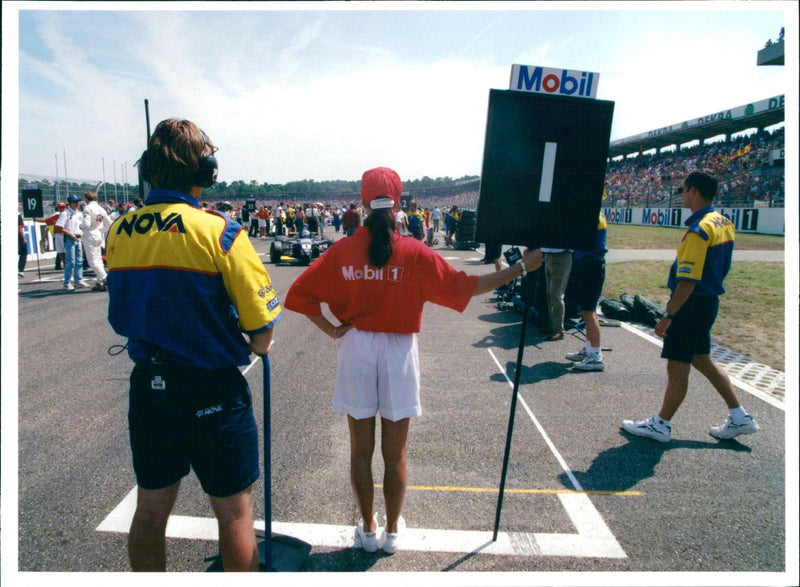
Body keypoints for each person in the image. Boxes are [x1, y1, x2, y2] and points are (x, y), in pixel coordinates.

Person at [283, 167, 542, 554]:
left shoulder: (341, 250)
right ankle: (391, 533)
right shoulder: (416, 252)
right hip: (400, 350)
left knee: (360, 450)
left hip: (356, 347)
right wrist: (520, 269)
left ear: (363, 203)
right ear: (399, 203)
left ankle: (368, 529)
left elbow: (300, 294)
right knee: (395, 452)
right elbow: (464, 287)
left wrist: (333, 329)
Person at [106, 118, 281, 571]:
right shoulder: (221, 232)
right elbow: (262, 335)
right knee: (235, 512)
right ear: (205, 170)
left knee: (150, 509)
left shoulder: (118, 232)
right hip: (213, 393)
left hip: (150, 388)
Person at [622, 170, 759, 442]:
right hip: (708, 303)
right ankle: (740, 416)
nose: (682, 195)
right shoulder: (723, 222)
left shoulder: (699, 230)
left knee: (677, 368)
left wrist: (668, 315)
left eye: (683, 190)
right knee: (702, 360)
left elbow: (688, 281)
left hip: (691, 305)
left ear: (694, 191)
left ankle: (661, 425)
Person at [564, 212, 608, 371]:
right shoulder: (593, 215)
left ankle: (595, 356)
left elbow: (581, 238)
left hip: (592, 265)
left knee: (589, 312)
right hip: (586, 264)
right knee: (587, 312)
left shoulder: (594, 216)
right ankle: (590, 349)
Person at [54, 195, 88, 291]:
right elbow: (58, 227)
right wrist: (69, 234)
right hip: (70, 238)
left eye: (77, 202)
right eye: (74, 202)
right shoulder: (65, 214)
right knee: (70, 261)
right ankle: (67, 282)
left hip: (78, 237)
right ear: (70, 203)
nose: (77, 204)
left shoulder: (79, 214)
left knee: (79, 260)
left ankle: (78, 280)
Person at [80, 191, 112, 291]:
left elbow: (86, 225)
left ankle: (106, 279)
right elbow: (109, 223)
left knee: (92, 261)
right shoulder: (101, 209)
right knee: (98, 259)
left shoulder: (88, 208)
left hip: (90, 234)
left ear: (86, 199)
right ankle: (100, 282)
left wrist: (80, 226)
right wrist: (100, 230)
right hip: (98, 234)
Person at [540, 247, 573, 340]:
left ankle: (559, 330)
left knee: (556, 294)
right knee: (549, 293)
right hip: (548, 255)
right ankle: (552, 326)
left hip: (562, 255)